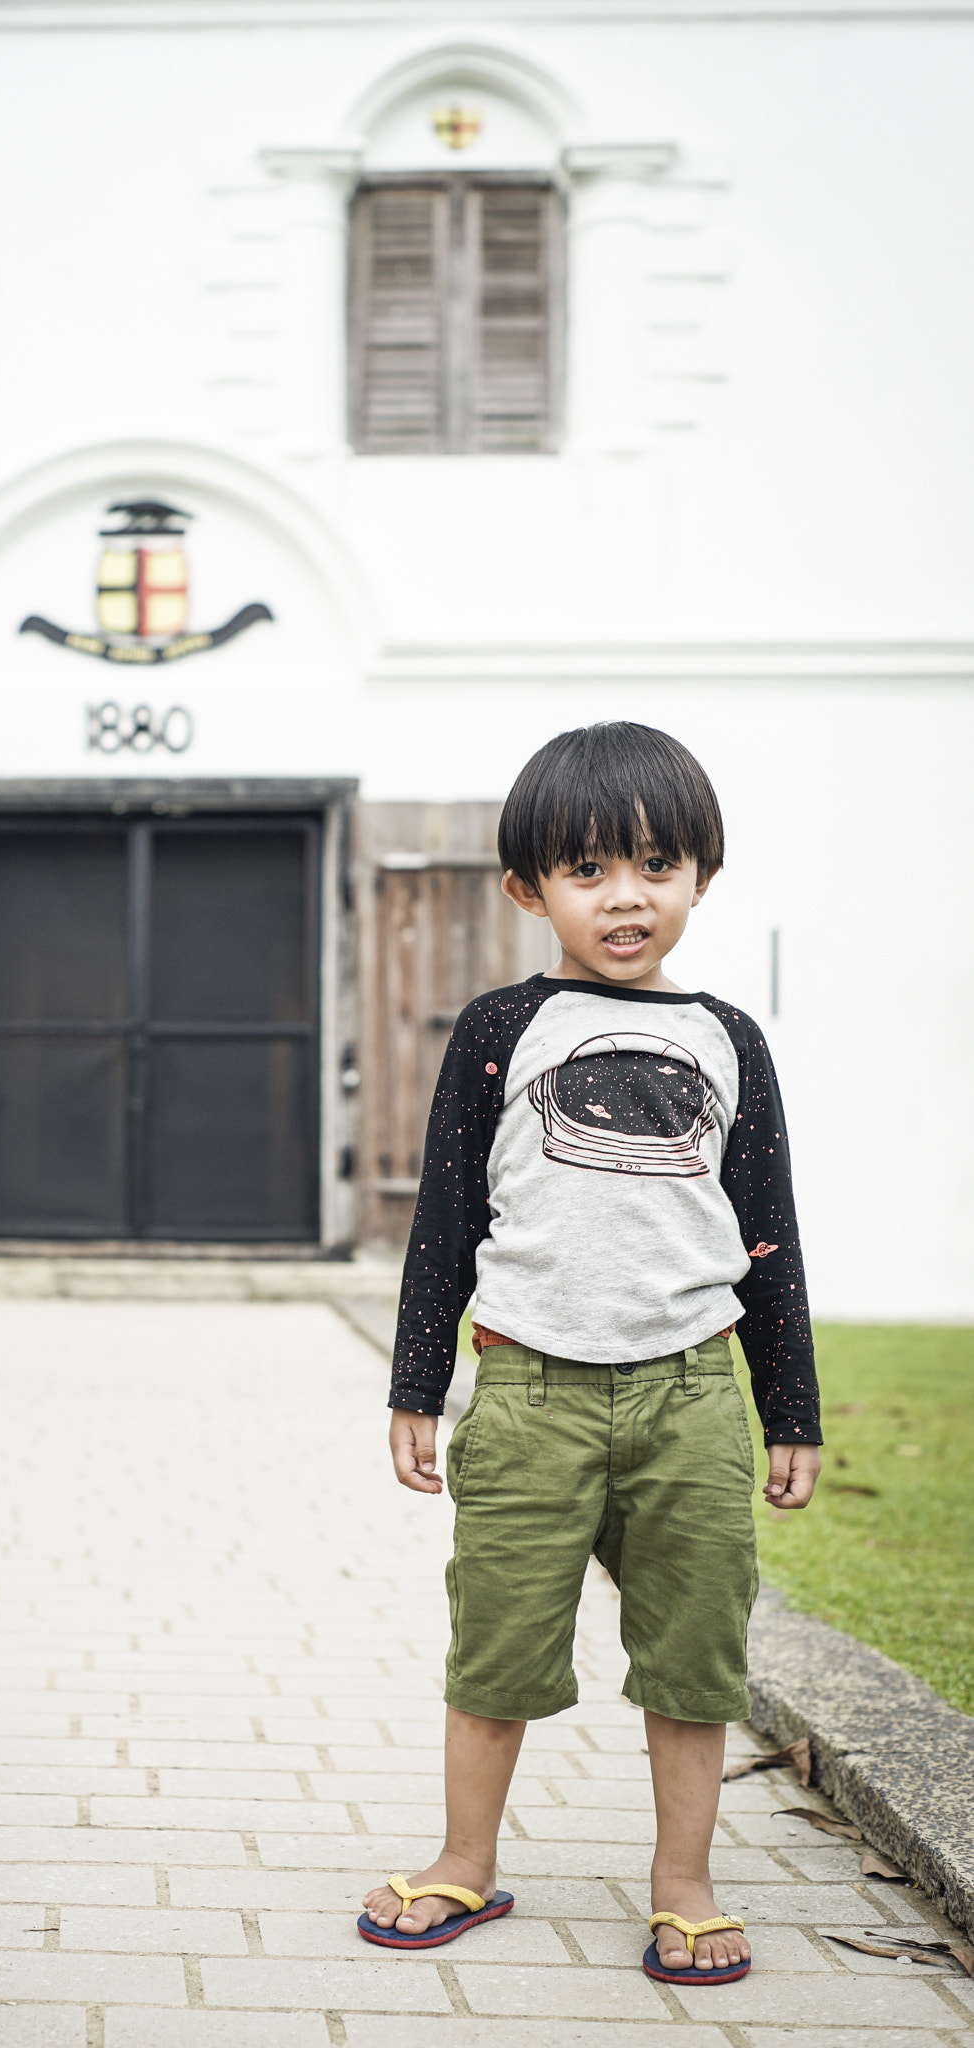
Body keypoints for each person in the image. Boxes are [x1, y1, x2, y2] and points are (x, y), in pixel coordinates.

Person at [358, 722, 821, 1984]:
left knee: (692, 1647)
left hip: (691, 1395)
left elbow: (766, 1234)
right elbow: (447, 1216)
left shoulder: (731, 1038)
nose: (627, 895)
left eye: (657, 865)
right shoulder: (503, 1026)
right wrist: (417, 1380)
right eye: (589, 870)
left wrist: (792, 1411)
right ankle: (465, 1858)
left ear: (702, 877)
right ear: (530, 887)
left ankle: (684, 1879)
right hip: (527, 1389)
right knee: (497, 1637)